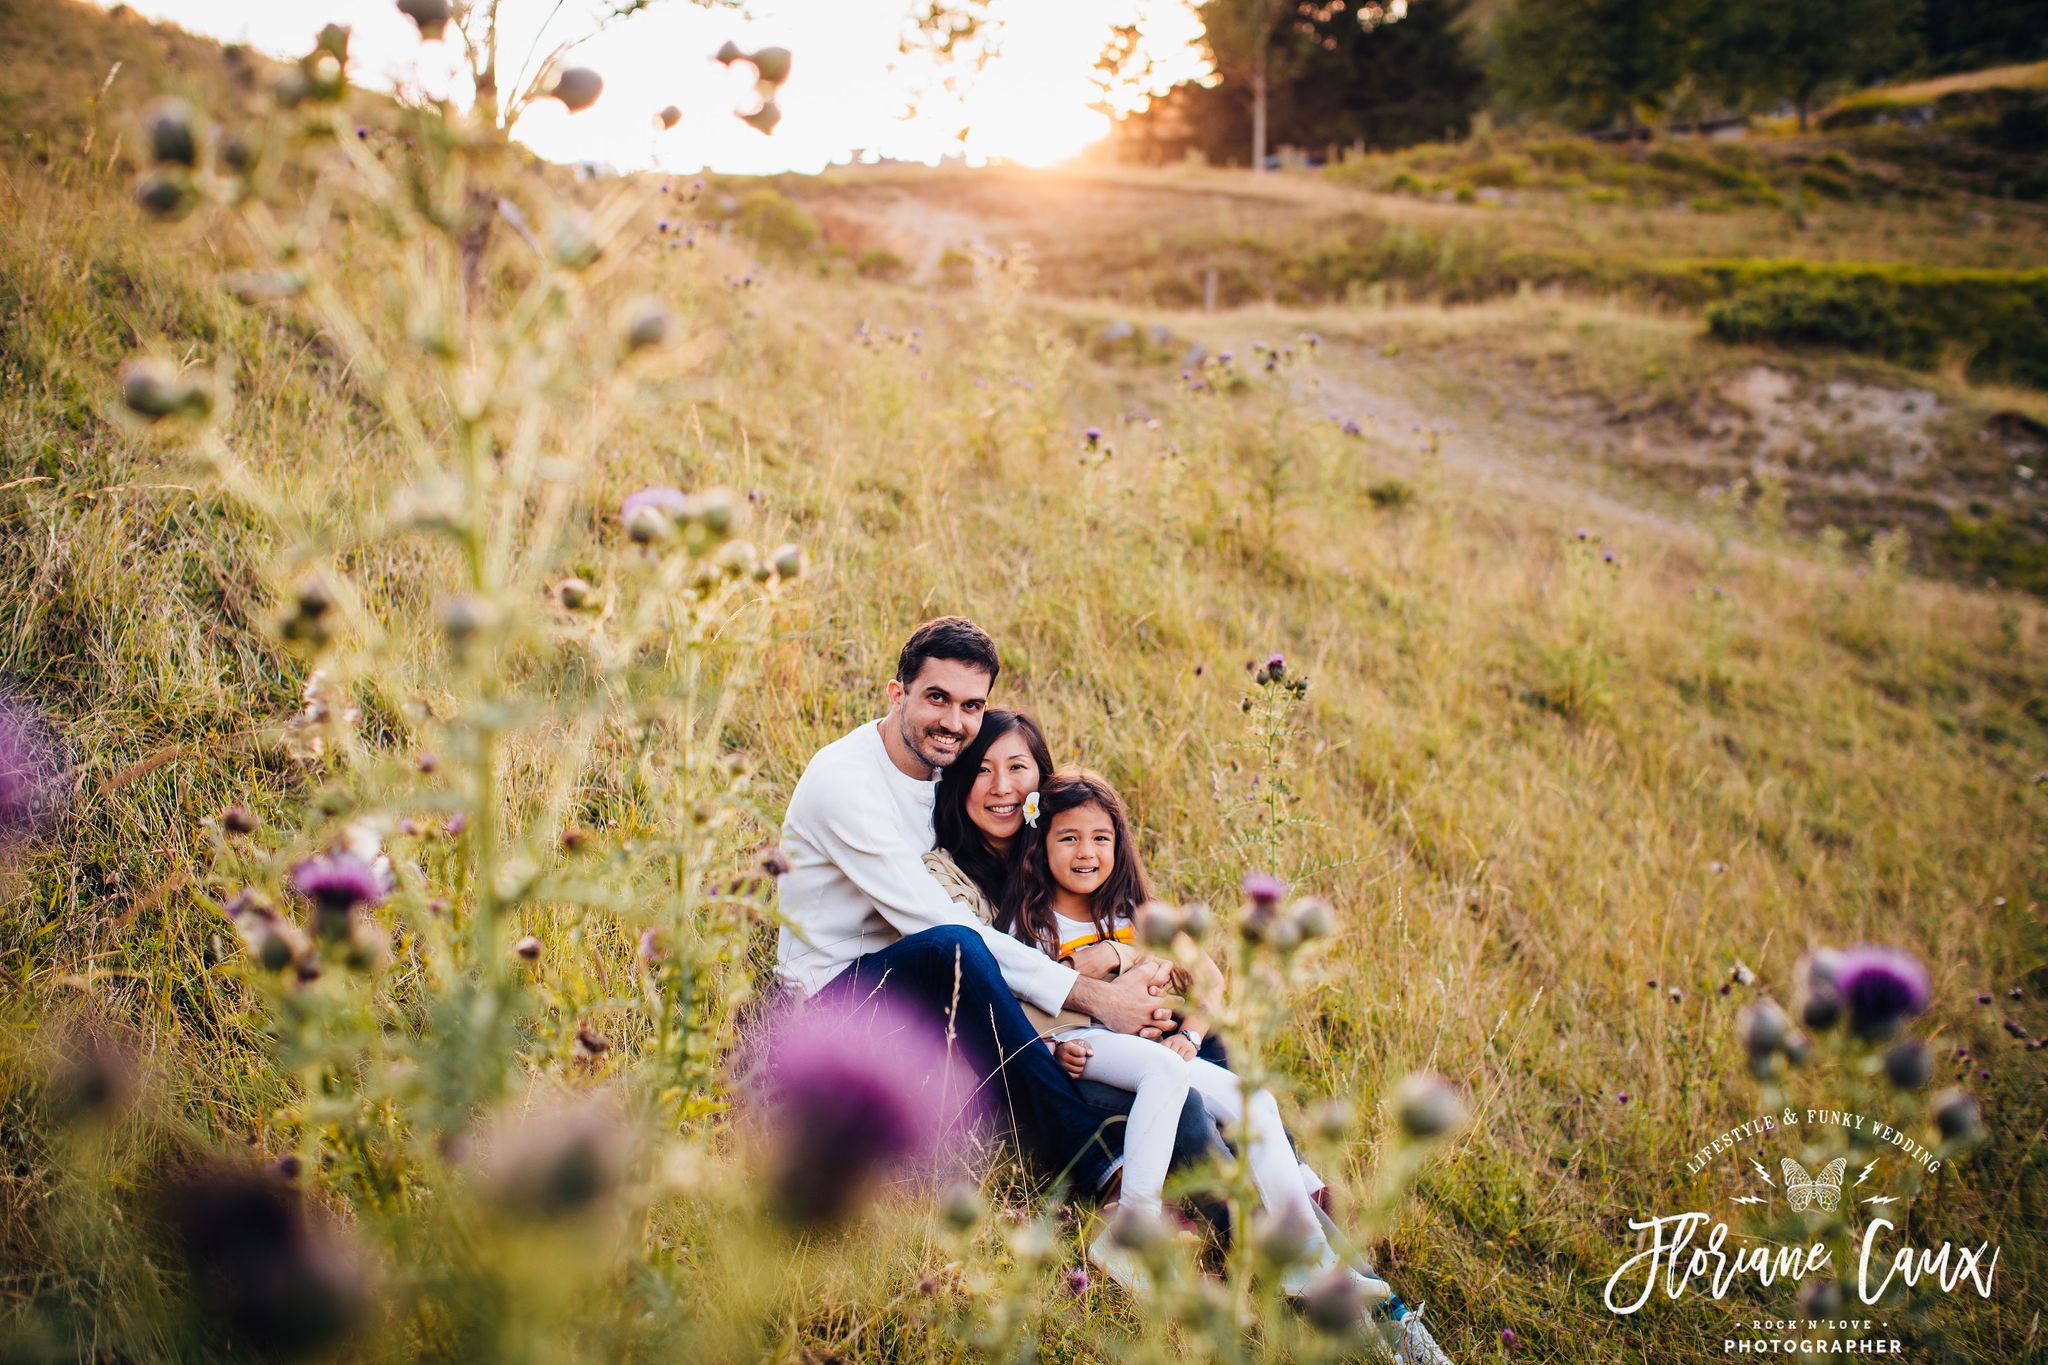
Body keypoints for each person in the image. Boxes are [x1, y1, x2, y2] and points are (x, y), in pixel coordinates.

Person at [774, 617, 1179, 1203]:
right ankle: (1093, 1167)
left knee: (1155, 1016)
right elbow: (942, 926)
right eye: (936, 698)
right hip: (836, 1007)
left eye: (971, 706)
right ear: (897, 694)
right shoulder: (845, 782)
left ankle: (1275, 1168)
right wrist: (1091, 996)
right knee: (954, 947)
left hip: (926, 990)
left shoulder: (943, 772)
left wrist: (1126, 958)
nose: (954, 723)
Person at [996, 767, 1388, 1304]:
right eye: (1068, 838)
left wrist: (1193, 1035)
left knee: (1253, 1098)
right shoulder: (1030, 923)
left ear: (1119, 844)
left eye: (1100, 838)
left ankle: (1310, 1258)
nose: (1086, 852)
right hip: (1083, 1047)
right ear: (1041, 847)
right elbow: (1018, 999)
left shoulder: (1129, 915)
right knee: (1164, 1070)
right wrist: (1049, 1049)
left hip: (1149, 1048)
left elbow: (1208, 979)